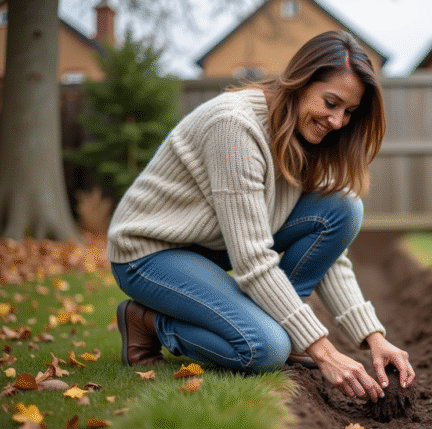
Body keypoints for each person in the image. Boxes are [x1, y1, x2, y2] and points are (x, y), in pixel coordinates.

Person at [107, 30, 415, 402]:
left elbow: (330, 255)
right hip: (152, 252)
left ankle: (282, 329)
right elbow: (252, 257)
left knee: (344, 208)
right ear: (300, 82)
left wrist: (373, 338)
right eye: (331, 102)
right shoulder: (235, 126)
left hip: (212, 246)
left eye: (348, 112)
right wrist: (324, 351)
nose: (337, 121)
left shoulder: (313, 136)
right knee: (264, 348)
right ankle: (150, 322)